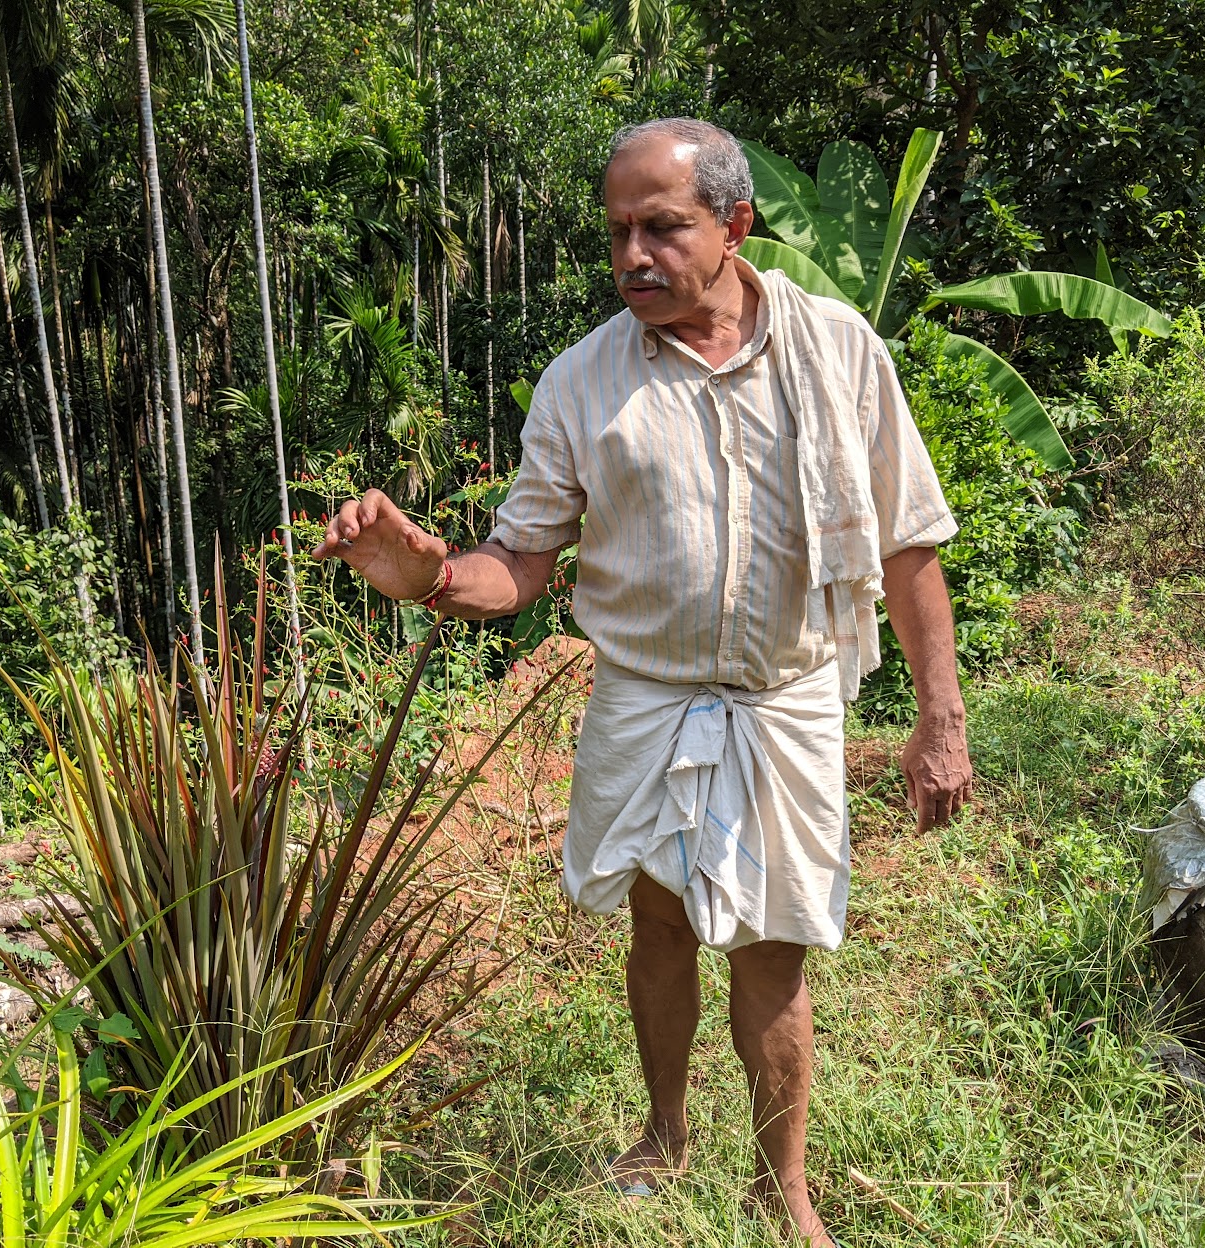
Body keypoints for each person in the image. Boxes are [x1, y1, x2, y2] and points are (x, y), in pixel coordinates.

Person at [315, 116, 973, 1248]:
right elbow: (520, 563)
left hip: (786, 698)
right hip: (645, 698)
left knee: (774, 947)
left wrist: (938, 721)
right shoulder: (581, 381)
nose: (633, 255)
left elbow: (908, 541)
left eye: (660, 227)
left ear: (731, 225)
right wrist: (427, 577)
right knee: (658, 927)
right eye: (617, 231)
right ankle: (664, 1132)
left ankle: (784, 1190)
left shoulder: (837, 349)